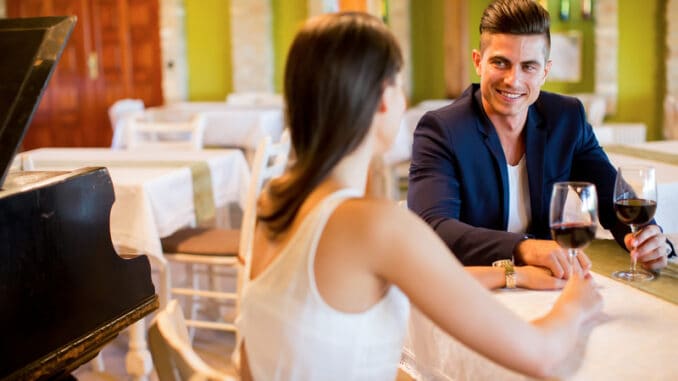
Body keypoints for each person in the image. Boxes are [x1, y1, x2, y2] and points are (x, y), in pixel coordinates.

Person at [237, 12, 602, 381]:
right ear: (383, 99)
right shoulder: (377, 226)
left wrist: (515, 275)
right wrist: (577, 303)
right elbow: (542, 355)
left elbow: (250, 361)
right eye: (399, 84)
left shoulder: (275, 205)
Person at [408, 0, 674, 278]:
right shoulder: (442, 130)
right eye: (500, 62)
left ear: (545, 71)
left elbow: (612, 198)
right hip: (474, 289)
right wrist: (524, 248)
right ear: (478, 62)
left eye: (528, 67)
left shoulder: (566, 117)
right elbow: (433, 227)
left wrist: (647, 238)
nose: (513, 80)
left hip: (552, 282)